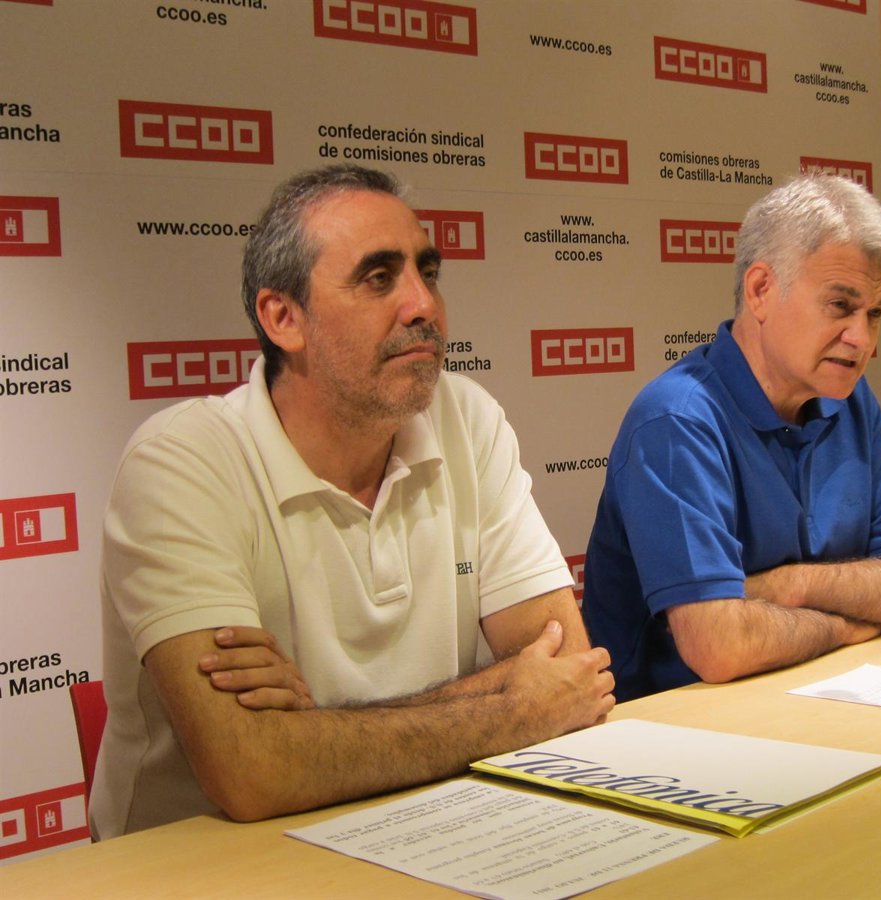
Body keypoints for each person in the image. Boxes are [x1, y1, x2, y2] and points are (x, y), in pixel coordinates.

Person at [91, 164, 614, 839]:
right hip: (202, 867)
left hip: (425, 827)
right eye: (378, 278)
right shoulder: (182, 462)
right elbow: (253, 770)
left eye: (428, 272)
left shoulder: (467, 418)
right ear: (284, 318)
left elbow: (566, 669)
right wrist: (510, 707)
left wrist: (312, 732)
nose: (423, 305)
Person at [582, 174, 881, 702]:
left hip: (812, 697)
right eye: (841, 306)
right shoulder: (677, 420)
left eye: (875, 314)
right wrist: (846, 625)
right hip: (674, 727)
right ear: (761, 290)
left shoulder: (853, 403)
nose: (862, 339)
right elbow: (721, 646)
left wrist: (790, 586)